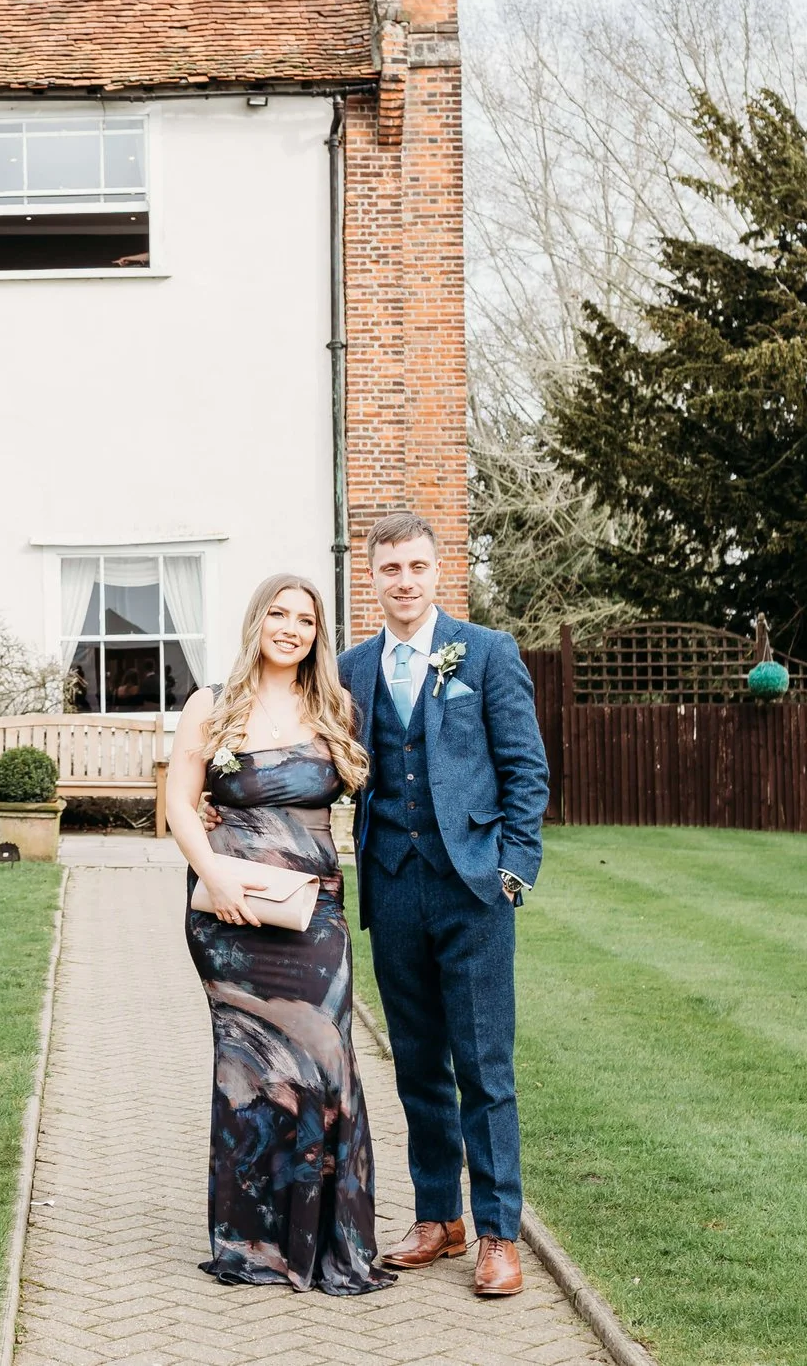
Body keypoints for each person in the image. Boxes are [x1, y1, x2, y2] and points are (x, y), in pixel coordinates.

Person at [160, 572, 393, 1296]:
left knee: (326, 1061)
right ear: (257, 620)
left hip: (314, 914)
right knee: (248, 1072)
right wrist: (216, 876)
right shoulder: (212, 703)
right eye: (279, 614)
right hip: (228, 916)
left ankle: (327, 1241)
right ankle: (253, 1244)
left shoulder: (336, 707)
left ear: (317, 634)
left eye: (305, 619)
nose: (291, 628)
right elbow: (178, 799)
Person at [338, 512, 549, 1299]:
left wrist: (513, 870)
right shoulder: (354, 668)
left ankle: (498, 1233)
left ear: (438, 571)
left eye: (417, 566)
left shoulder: (487, 653)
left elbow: (527, 769)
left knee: (485, 1066)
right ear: (373, 576)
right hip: (392, 883)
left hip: (472, 888)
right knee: (418, 1062)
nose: (404, 580)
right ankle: (438, 1216)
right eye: (389, 568)